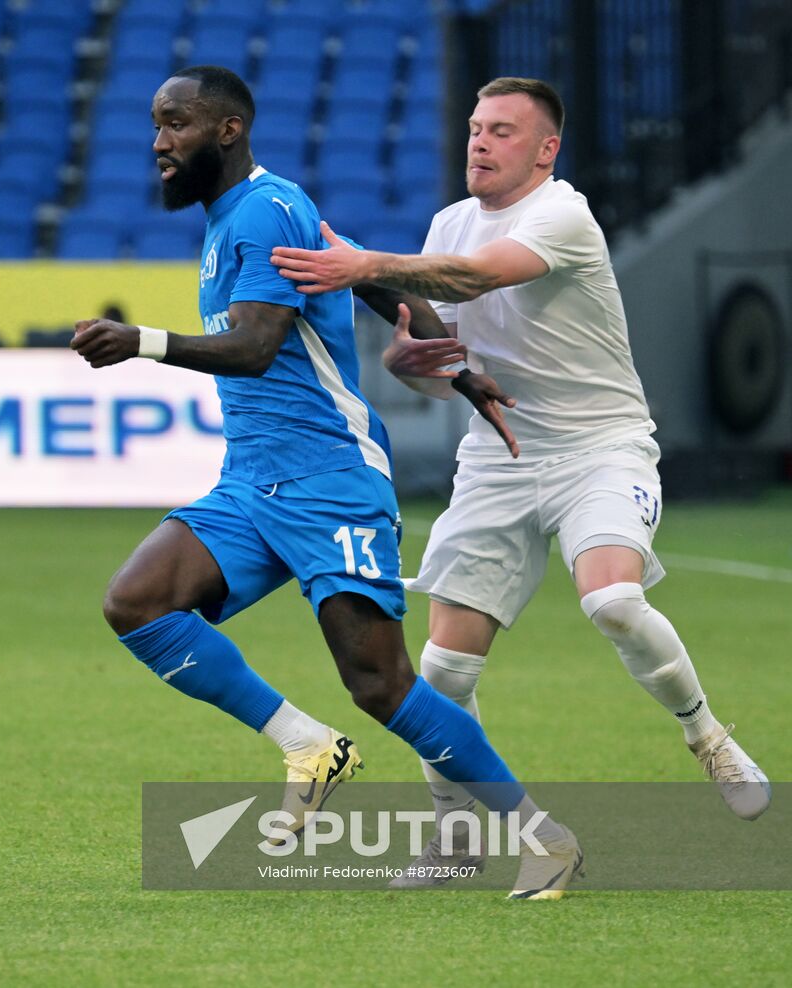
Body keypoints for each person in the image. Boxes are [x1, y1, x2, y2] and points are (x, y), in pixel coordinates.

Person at [71, 65, 583, 900]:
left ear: (228, 129)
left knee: (380, 686)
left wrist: (144, 342)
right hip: (252, 484)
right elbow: (360, 275)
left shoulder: (265, 204)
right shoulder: (242, 213)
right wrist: (451, 365)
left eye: (176, 124)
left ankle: (543, 838)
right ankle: (308, 744)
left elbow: (255, 346)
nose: (159, 143)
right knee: (136, 602)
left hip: (329, 483)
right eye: (156, 126)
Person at [268, 76, 770, 886]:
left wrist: (366, 264)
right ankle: (456, 837)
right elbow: (452, 369)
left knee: (611, 600)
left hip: (601, 450)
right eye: (474, 127)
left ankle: (707, 736)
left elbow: (472, 278)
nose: (479, 141)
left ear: (545, 150)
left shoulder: (560, 215)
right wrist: (408, 362)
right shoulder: (449, 224)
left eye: (502, 130)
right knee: (439, 673)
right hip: (500, 456)